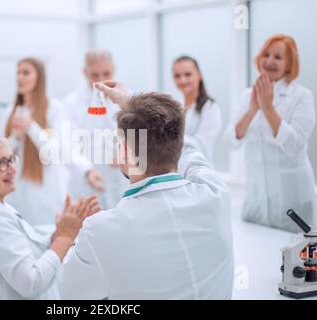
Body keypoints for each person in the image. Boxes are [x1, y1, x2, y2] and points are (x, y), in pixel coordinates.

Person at [58, 82, 234, 299]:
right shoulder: (216, 193)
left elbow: (68, 298)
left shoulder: (99, 230)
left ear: (124, 151)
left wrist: (65, 237)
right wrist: (130, 103)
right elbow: (187, 148)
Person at [0, 129, 100, 299]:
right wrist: (65, 238)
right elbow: (32, 283)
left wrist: (58, 235)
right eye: (2, 163)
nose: (12, 169)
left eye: (12, 160)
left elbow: (27, 251)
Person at [3, 57, 103, 229]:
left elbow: (59, 150)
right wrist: (16, 137)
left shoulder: (55, 109)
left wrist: (31, 127)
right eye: (18, 73)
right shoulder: (10, 111)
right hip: (18, 191)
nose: (20, 77)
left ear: (39, 78)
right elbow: (3, 153)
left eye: (26, 73)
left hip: (45, 192)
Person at [230, 34, 316, 232]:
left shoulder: (302, 96)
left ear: (289, 64)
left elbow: (295, 145)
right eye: (266, 54)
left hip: (291, 201)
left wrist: (267, 107)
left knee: (296, 257)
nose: (269, 61)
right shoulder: (246, 96)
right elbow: (231, 141)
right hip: (256, 198)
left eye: (278, 57)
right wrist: (252, 110)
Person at [63, 49, 127, 209]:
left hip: (121, 179)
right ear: (85, 72)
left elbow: (140, 134)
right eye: (95, 75)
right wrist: (87, 170)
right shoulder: (71, 104)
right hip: (86, 180)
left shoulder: (127, 98)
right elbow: (68, 144)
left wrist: (126, 153)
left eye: (106, 73)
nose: (102, 80)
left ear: (114, 69)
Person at [172, 56, 222, 163]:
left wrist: (168, 139)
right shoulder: (176, 106)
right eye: (177, 76)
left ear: (199, 75)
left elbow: (201, 145)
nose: (182, 80)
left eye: (188, 74)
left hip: (199, 171)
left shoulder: (210, 108)